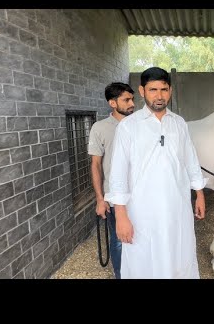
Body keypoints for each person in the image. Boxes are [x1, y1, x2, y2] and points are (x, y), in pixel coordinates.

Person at [105, 67, 207, 279]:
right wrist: (121, 215)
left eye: (164, 89)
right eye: (153, 89)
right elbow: (118, 173)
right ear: (142, 91)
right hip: (142, 212)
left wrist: (199, 193)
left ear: (170, 91)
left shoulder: (179, 124)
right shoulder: (128, 127)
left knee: (180, 254)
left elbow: (191, 160)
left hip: (177, 207)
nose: (159, 95)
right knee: (144, 261)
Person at [88, 82, 135, 279]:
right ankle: (121, 275)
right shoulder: (99, 128)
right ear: (112, 103)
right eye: (127, 100)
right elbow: (96, 165)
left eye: (132, 99)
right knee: (118, 241)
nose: (132, 103)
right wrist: (100, 199)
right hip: (115, 196)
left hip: (141, 193)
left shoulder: (140, 124)